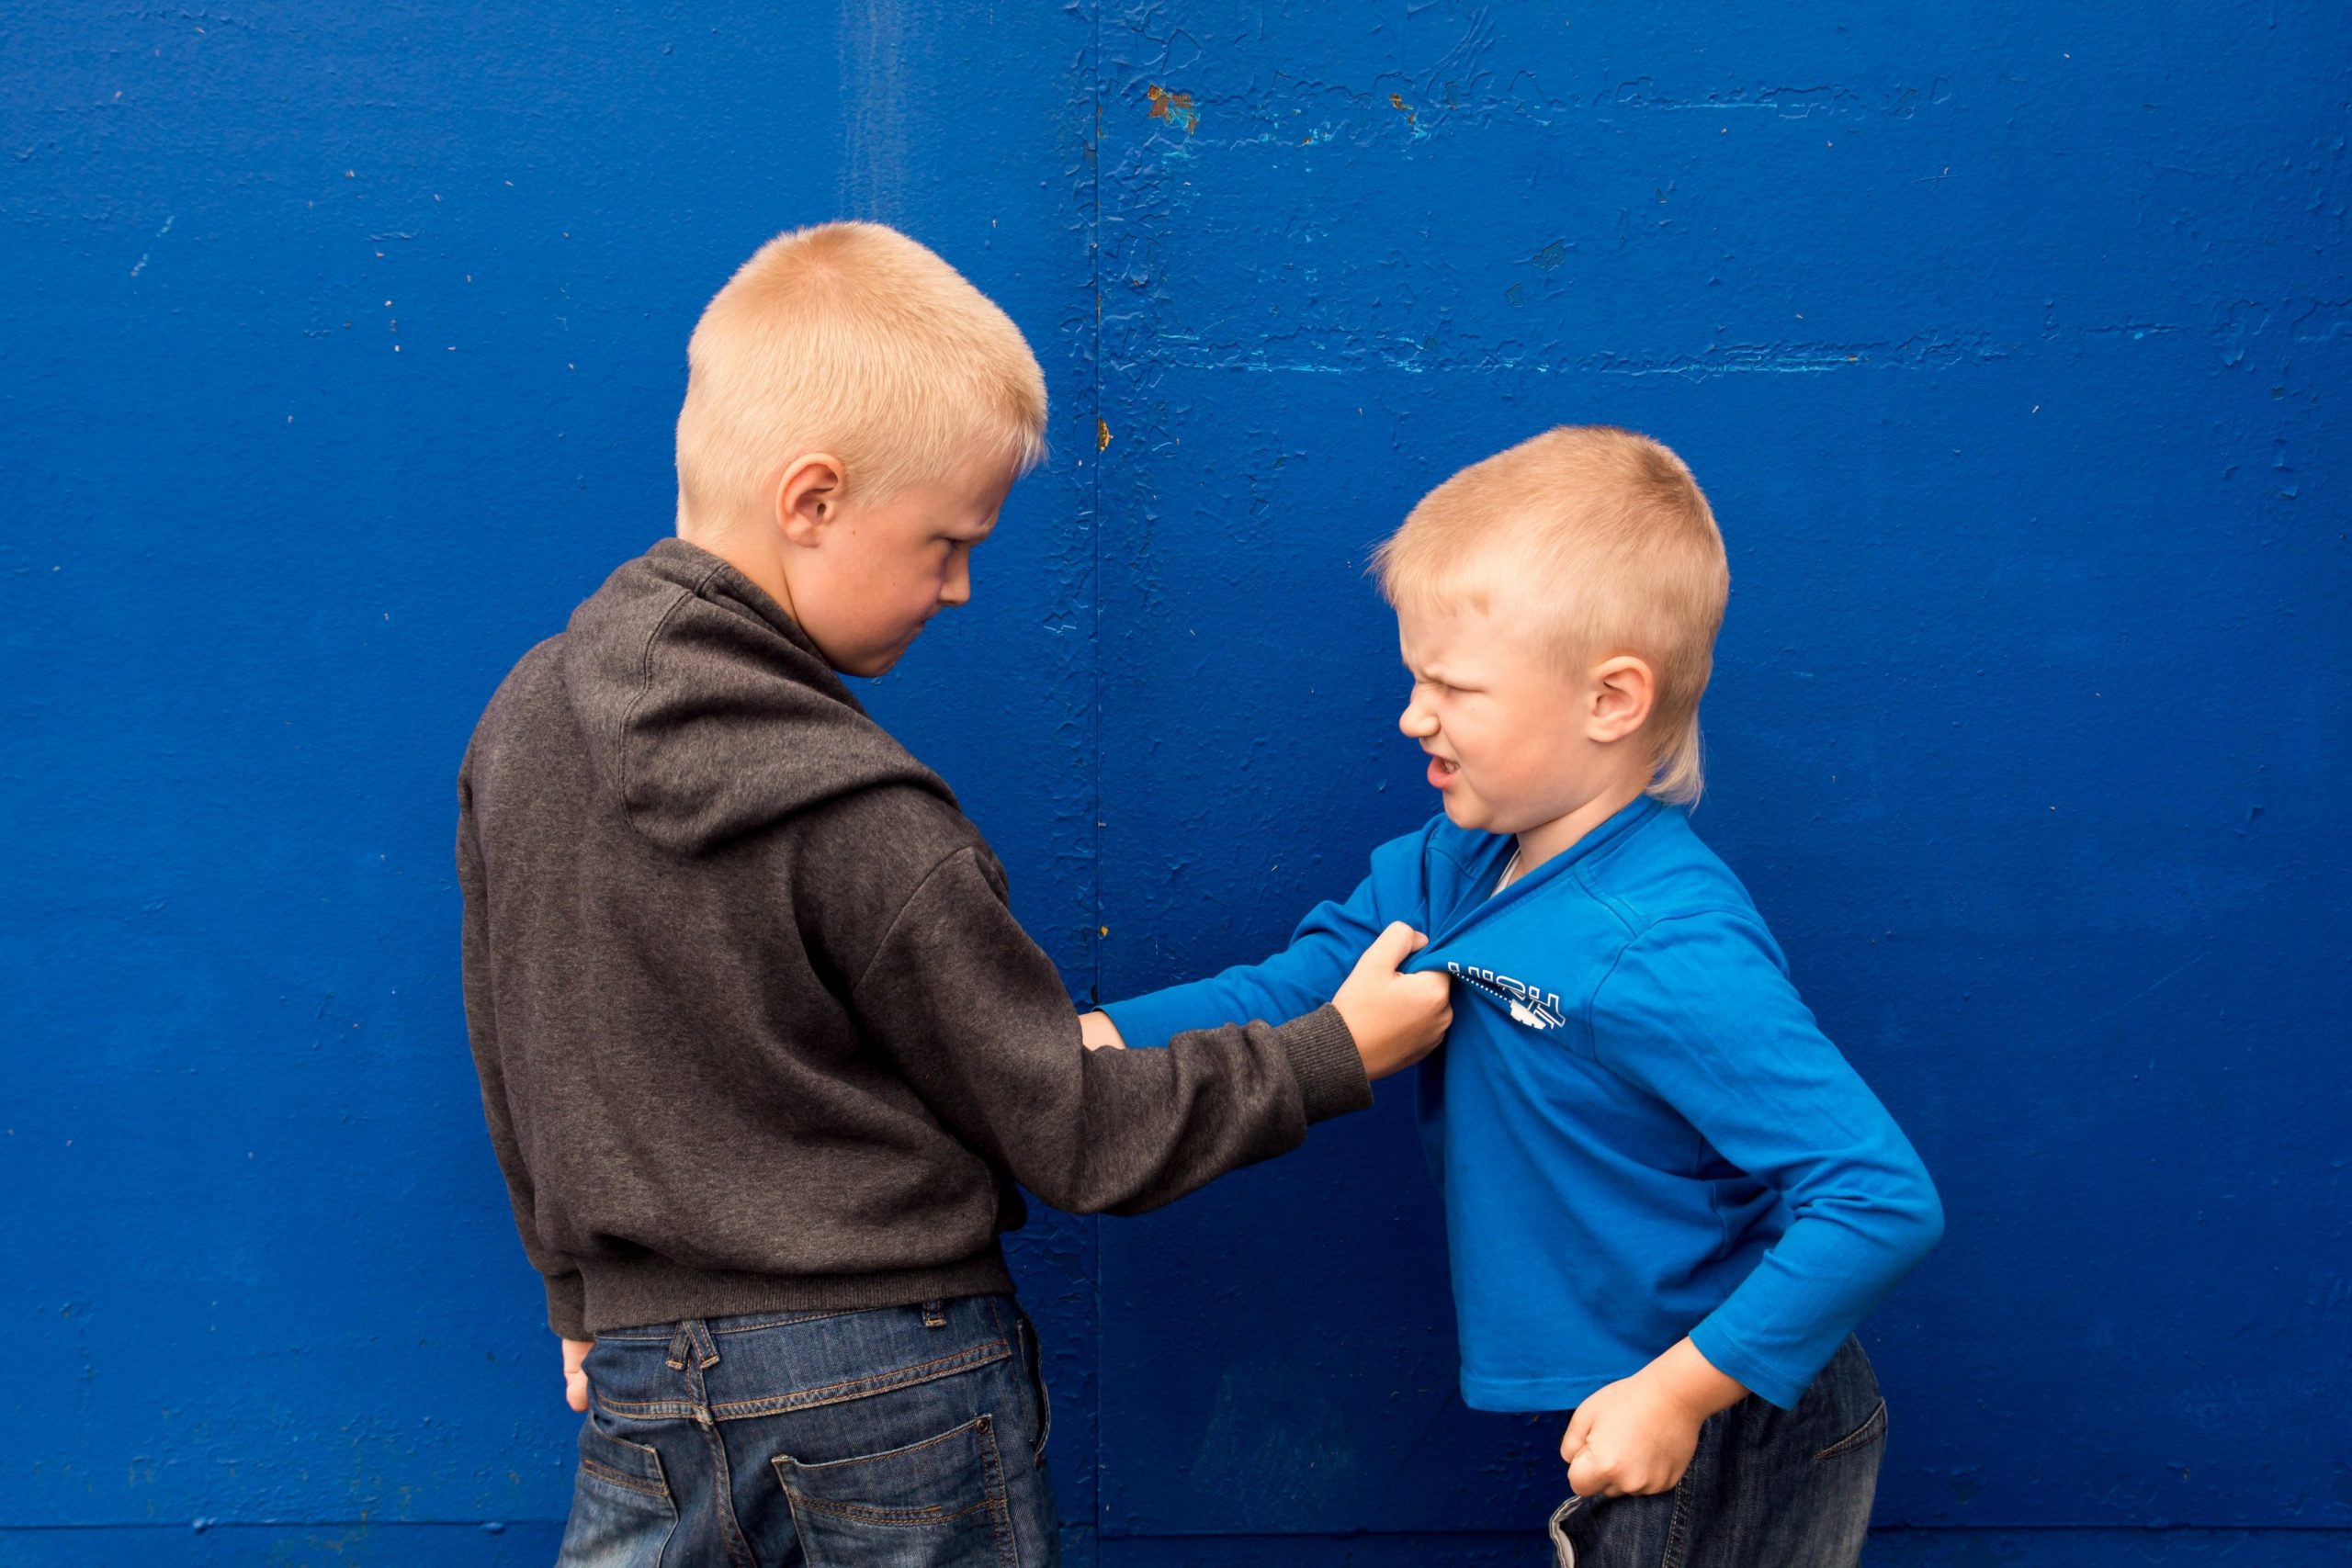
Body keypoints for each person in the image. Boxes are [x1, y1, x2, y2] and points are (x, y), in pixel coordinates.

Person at [456, 220, 1452, 1567]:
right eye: (945, 541)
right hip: (896, 1388)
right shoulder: (864, 809)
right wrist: (1338, 1050)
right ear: (812, 500)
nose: (963, 585)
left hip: (641, 1389)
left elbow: (513, 1041)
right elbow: (1079, 1134)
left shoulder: (521, 721)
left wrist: (578, 1283)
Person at [1085, 425, 1943, 1567]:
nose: (1412, 716)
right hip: (1644, 1404)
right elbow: (1296, 990)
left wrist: (1679, 1396)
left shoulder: (1661, 942)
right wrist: (1084, 1041)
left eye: (1452, 687)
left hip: (1733, 1418)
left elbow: (1878, 1198)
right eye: (1412, 678)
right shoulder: (1453, 864)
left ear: (1610, 700)